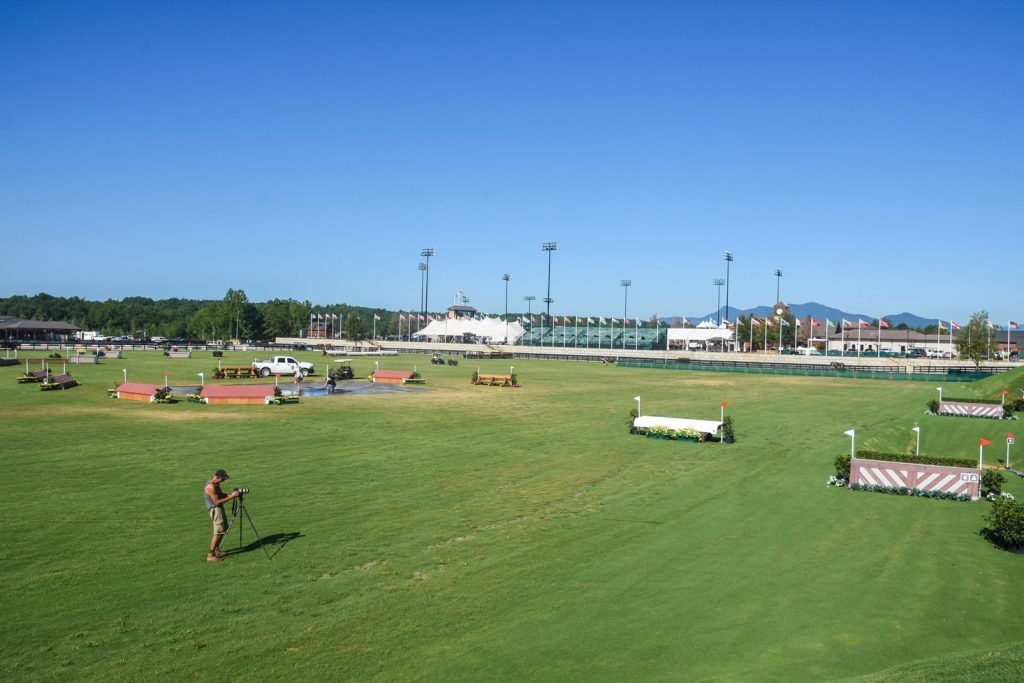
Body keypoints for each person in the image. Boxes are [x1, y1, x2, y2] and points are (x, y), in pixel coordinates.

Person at [204, 469, 240, 563]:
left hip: (219, 509)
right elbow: (216, 502)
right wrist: (231, 497)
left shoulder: (216, 484)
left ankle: (216, 551)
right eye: (223, 479)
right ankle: (210, 555)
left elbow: (220, 495)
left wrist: (230, 494)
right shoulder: (211, 487)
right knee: (218, 532)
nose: (224, 481)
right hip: (216, 510)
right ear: (217, 477)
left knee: (223, 529)